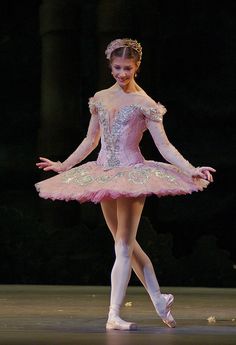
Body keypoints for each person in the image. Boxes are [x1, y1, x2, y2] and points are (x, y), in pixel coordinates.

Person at [35, 38, 215, 331]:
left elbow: (165, 146)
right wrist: (63, 165)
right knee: (126, 245)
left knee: (123, 246)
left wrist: (191, 168)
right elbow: (90, 140)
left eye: (127, 68)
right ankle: (159, 299)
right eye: (117, 67)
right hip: (104, 173)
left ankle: (113, 315)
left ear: (137, 67)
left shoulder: (144, 103)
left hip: (132, 174)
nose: (121, 73)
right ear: (110, 66)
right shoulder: (101, 97)